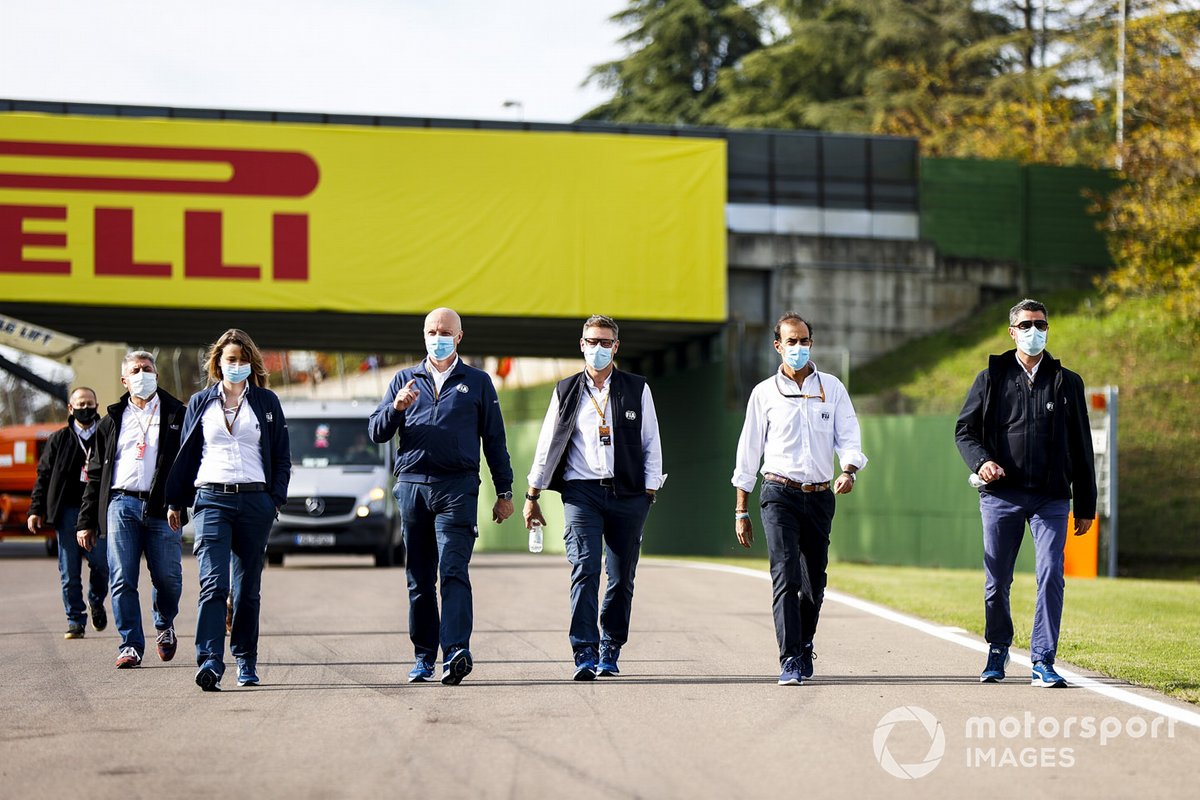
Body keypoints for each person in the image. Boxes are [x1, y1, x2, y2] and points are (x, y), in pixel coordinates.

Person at [368, 307, 514, 685]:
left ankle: (456, 652)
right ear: (423, 336)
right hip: (413, 486)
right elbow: (376, 432)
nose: (438, 337)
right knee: (418, 578)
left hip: (457, 488)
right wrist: (396, 409)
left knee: (452, 570)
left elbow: (495, 441)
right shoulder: (404, 379)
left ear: (459, 337)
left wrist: (505, 491)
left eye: (445, 331)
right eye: (432, 331)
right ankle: (423, 656)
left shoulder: (478, 382)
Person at [955, 298, 1096, 688]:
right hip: (1002, 495)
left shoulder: (1068, 382)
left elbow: (1082, 446)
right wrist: (982, 462)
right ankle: (998, 648)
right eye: (1027, 325)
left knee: (1051, 574)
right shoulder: (991, 377)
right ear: (1012, 331)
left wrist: (1085, 504)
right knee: (997, 580)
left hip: (1051, 498)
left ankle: (1042, 659)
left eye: (1042, 324)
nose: (1035, 331)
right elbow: (964, 431)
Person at [523, 314, 665, 680]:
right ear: (581, 345)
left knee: (620, 577)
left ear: (616, 347)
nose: (598, 349)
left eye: (605, 343)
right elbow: (546, 445)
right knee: (584, 568)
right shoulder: (565, 390)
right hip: (581, 493)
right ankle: (584, 650)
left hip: (628, 493)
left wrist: (649, 490)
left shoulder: (637, 388)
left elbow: (651, 442)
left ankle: (610, 646)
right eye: (592, 341)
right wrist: (531, 494)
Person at [731, 313, 866, 686]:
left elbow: (849, 436)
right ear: (778, 345)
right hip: (778, 494)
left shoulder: (832, 388)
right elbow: (748, 452)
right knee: (786, 574)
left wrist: (849, 469)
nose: (798, 347)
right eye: (791, 341)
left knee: (814, 582)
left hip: (821, 496)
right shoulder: (764, 393)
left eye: (804, 340)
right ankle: (789, 658)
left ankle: (805, 642)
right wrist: (741, 509)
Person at [166, 329, 291, 692]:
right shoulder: (200, 402)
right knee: (213, 584)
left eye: (243, 359)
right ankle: (209, 660)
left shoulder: (267, 402)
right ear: (218, 364)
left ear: (251, 364)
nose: (237, 365)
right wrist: (176, 500)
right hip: (211, 500)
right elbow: (186, 454)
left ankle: (246, 661)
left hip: (256, 502)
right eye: (230, 359)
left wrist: (275, 500)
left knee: (247, 588)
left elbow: (282, 457)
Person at [77, 351, 187, 669]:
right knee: (123, 576)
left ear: (157, 374)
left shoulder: (176, 414)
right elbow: (95, 474)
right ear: (125, 380)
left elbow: (186, 465)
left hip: (163, 507)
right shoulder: (111, 421)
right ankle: (130, 644)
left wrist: (179, 502)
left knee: (168, 578)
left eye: (148, 368)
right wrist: (86, 521)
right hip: (121, 503)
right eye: (136, 370)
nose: (143, 374)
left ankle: (164, 622)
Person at [28, 387, 109, 640]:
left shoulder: (107, 435)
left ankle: (96, 601)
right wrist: (36, 509)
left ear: (97, 406)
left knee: (102, 565)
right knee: (69, 571)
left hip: (97, 511)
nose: (86, 408)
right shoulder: (58, 439)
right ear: (71, 409)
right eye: (80, 404)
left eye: (90, 404)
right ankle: (75, 619)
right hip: (66, 513)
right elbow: (43, 476)